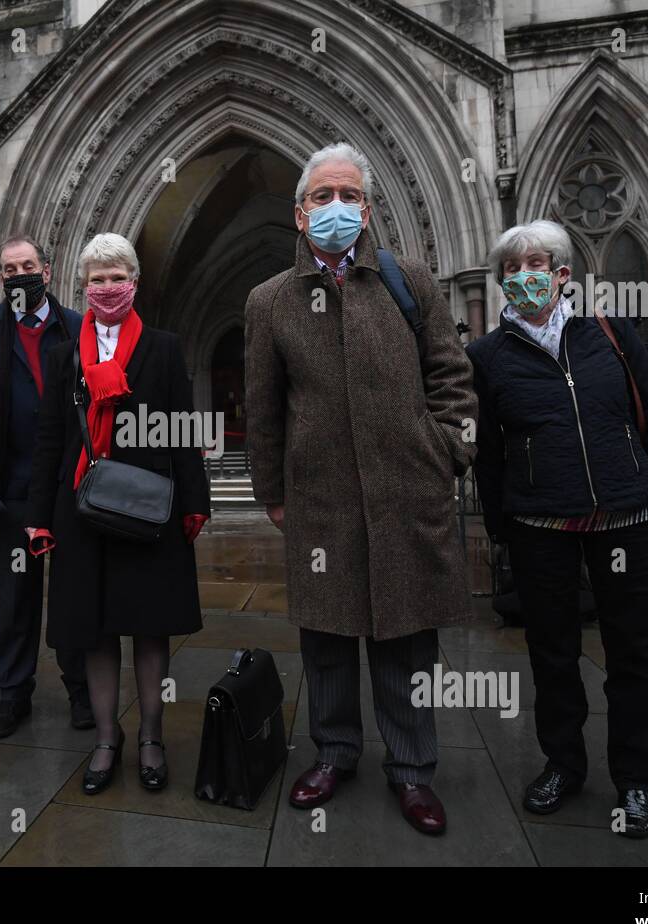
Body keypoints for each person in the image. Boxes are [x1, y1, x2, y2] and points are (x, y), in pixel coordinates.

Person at [245, 143, 477, 834]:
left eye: (348, 196)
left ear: (368, 209)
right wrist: (273, 492)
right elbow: (263, 408)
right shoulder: (269, 301)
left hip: (408, 490)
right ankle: (335, 752)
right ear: (300, 213)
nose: (336, 208)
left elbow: (453, 377)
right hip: (320, 499)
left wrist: (448, 452)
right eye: (322, 197)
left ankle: (412, 771)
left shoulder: (410, 280)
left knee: (405, 638)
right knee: (327, 638)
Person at [466, 219, 648, 838]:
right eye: (510, 270)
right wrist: (500, 524)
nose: (522, 278)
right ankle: (563, 763)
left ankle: (635, 778)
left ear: (564, 275)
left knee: (635, 653)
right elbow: (488, 452)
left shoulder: (612, 336)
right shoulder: (487, 356)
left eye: (535, 265)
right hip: (543, 523)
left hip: (628, 516)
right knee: (553, 653)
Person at [25, 232, 210, 795]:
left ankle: (152, 734)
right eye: (97, 279)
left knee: (149, 626)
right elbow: (51, 438)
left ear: (134, 283)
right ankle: (108, 737)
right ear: (82, 286)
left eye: (117, 277)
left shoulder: (163, 346)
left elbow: (183, 427)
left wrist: (195, 502)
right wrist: (39, 516)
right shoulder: (62, 355)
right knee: (95, 629)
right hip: (81, 508)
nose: (107, 288)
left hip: (147, 506)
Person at [0, 234, 93, 738]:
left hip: (70, 482)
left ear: (48, 271)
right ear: (0, 278)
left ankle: (81, 690)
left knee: (73, 592)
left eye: (27, 266)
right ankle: (13, 694)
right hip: (14, 485)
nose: (20, 276)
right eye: (10, 270)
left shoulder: (77, 327)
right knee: (16, 594)